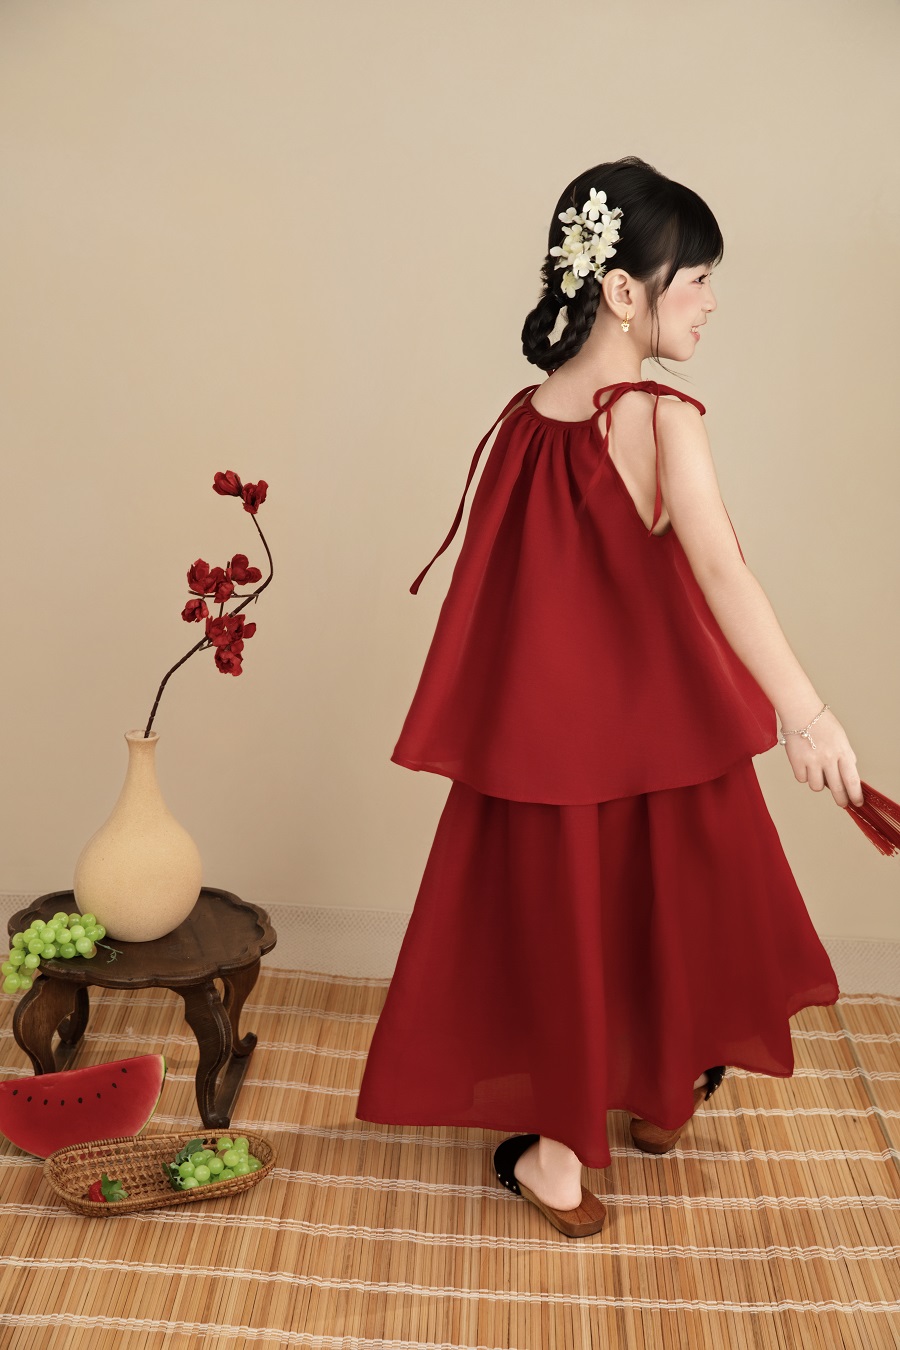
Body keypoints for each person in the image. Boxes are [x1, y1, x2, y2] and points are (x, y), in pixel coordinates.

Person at [355, 155, 864, 1240]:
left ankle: (556, 1161)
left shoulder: (523, 418)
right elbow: (722, 571)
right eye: (699, 280)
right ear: (624, 291)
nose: (713, 302)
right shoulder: (662, 418)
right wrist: (806, 713)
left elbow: (515, 601)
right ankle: (662, 1099)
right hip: (665, 742)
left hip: (547, 754)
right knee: (668, 911)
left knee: (566, 933)